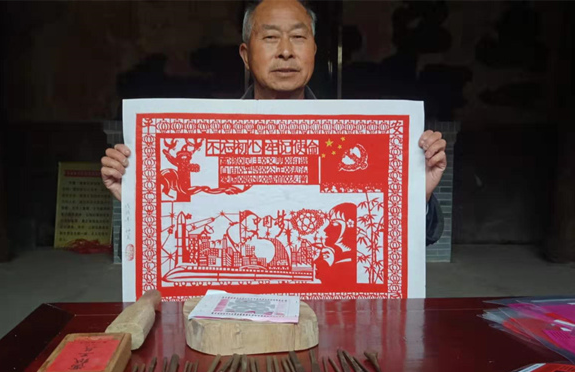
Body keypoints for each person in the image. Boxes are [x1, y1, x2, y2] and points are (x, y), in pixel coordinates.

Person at [101, 0, 446, 246]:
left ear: (314, 51)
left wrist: (420, 193)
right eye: (269, 37)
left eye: (298, 37)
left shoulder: (356, 142)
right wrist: (134, 200)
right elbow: (184, 232)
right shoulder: (205, 141)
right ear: (245, 55)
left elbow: (423, 239)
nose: (285, 51)